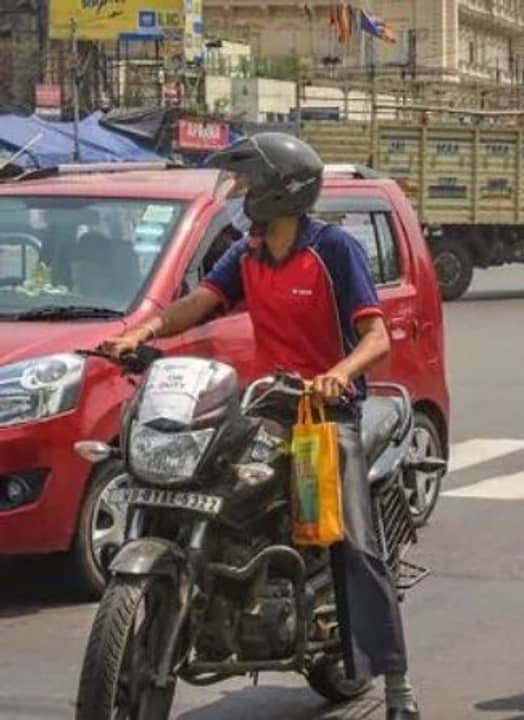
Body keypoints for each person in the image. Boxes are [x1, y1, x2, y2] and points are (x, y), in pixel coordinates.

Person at [101, 133, 421, 720]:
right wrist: (143, 333)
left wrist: (335, 375)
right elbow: (201, 300)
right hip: (267, 404)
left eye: (247, 182)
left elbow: (376, 336)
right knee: (207, 485)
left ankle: (398, 686)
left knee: (353, 542)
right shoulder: (248, 252)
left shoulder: (333, 250)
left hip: (325, 413)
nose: (239, 193)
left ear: (280, 189)